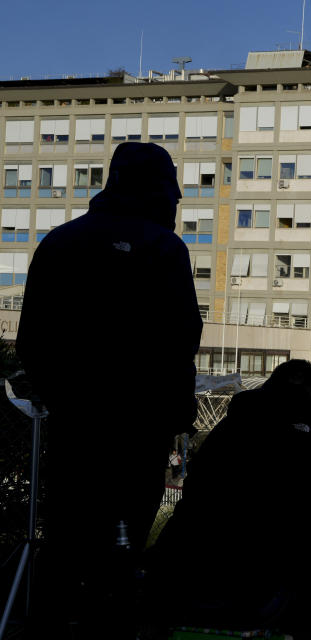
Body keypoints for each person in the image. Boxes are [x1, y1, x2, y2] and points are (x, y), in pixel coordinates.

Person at [16, 141, 201, 638]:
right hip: (140, 433)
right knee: (122, 547)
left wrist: (66, 396)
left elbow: (31, 340)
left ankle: (47, 626)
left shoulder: (60, 242)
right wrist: (169, 413)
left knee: (65, 538)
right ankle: (110, 626)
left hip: (77, 427)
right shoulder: (165, 249)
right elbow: (182, 338)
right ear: (164, 191)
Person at [145, 360, 311, 639]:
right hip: (265, 588)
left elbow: (196, 497)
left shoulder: (224, 432)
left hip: (184, 579)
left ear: (267, 388)